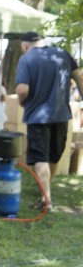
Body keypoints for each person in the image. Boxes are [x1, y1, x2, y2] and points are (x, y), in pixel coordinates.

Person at [15, 31, 83, 211]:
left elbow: (22, 90)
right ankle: (45, 191)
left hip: (38, 116)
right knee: (53, 155)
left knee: (40, 157)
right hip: (61, 115)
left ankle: (46, 200)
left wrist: (22, 102)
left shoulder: (27, 59)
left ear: (25, 45)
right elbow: (80, 77)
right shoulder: (63, 54)